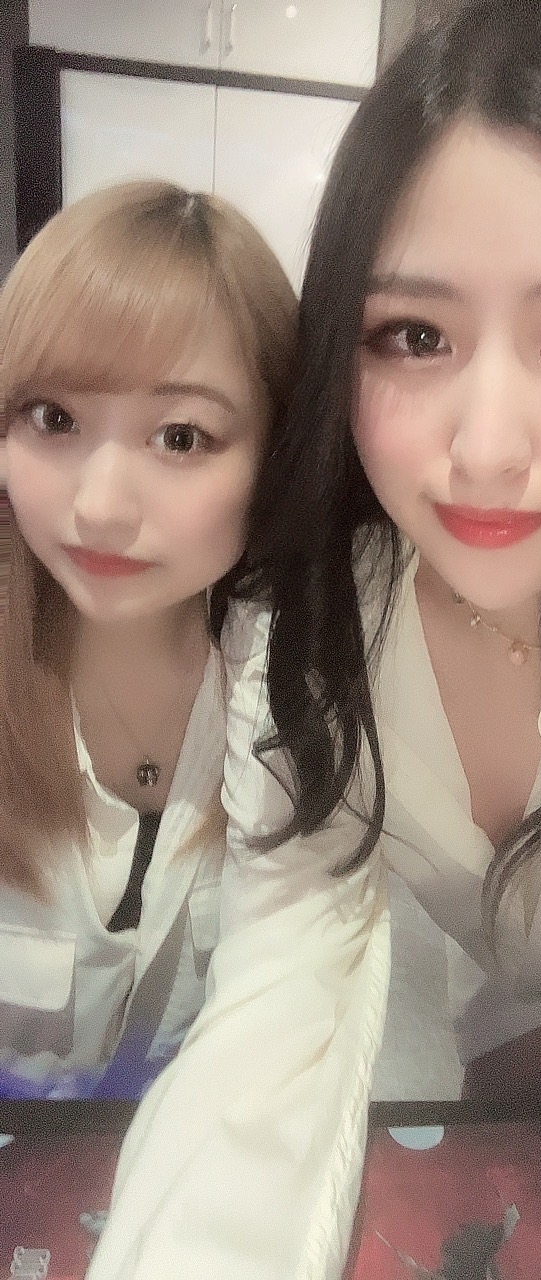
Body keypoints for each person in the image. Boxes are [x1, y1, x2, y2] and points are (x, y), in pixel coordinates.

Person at [86, 1, 541, 1277]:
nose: (483, 448)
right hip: (507, 976)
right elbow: (281, 985)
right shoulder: (318, 630)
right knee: (505, 1190)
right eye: (416, 335)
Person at [0, 180, 296, 1099]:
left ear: (277, 455)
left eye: (180, 436)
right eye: (53, 418)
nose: (98, 506)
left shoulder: (307, 695)